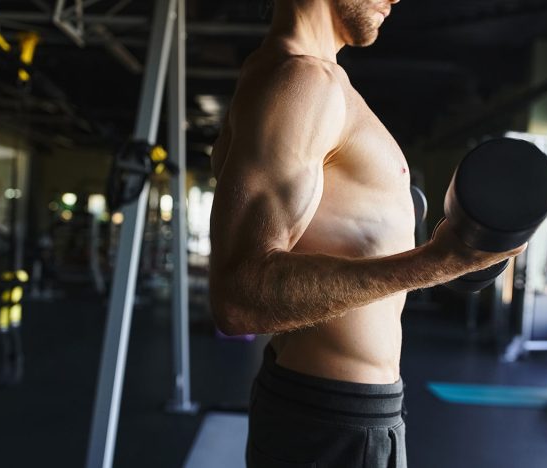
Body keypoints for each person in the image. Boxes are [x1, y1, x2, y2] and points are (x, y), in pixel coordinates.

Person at [208, 1, 526, 466]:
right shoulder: (302, 83)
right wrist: (435, 264)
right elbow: (238, 298)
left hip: (333, 412)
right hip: (332, 419)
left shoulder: (304, 78)